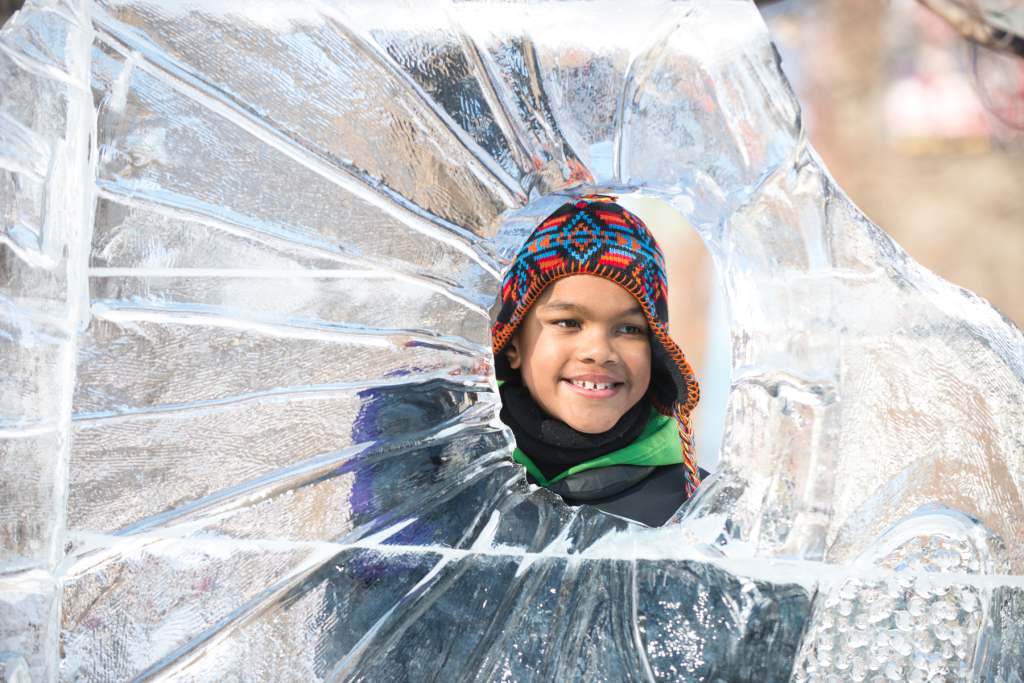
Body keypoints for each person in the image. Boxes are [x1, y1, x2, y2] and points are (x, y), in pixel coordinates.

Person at [491, 194, 705, 527]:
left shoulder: (697, 510)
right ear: (513, 344)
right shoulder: (453, 479)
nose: (599, 351)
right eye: (568, 322)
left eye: (629, 328)